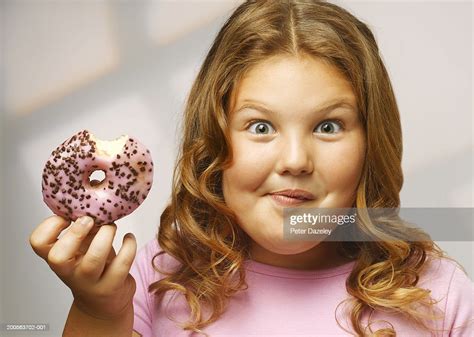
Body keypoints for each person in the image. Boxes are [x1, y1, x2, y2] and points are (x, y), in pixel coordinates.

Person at [29, 1, 473, 336]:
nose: (296, 160)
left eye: (328, 125)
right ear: (215, 139)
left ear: (370, 141)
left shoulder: (438, 292)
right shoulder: (158, 278)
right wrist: (96, 311)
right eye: (261, 126)